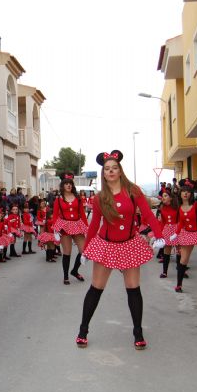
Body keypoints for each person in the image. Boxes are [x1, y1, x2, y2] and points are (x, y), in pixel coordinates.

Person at [78, 150, 166, 350]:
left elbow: (148, 215)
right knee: (96, 289)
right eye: (107, 169)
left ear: (120, 171)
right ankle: (83, 330)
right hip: (105, 245)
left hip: (129, 244)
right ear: (104, 173)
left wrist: (159, 234)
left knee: (133, 289)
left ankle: (138, 332)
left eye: (114, 168)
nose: (110, 171)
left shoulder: (133, 191)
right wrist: (85, 250)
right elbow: (94, 225)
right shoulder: (100, 198)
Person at [52, 173, 88, 285]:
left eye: (70, 184)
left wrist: (87, 228)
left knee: (83, 251)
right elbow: (55, 215)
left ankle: (75, 271)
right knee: (67, 252)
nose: (69, 185)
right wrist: (55, 229)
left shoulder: (78, 198)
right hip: (65, 226)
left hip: (77, 225)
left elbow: (82, 213)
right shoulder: (58, 199)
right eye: (66, 184)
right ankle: (66, 276)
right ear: (62, 186)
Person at [157, 191, 179, 278]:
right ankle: (164, 272)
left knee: (179, 251)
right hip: (167, 230)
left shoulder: (177, 208)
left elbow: (181, 221)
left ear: (171, 198)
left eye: (165, 196)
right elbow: (162, 222)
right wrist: (160, 235)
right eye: (163, 196)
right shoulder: (162, 208)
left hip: (176, 229)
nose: (163, 197)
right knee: (167, 251)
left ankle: (181, 270)